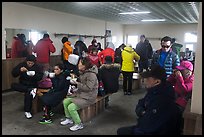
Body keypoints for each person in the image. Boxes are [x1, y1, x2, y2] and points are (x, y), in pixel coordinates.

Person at [117, 65, 183, 135]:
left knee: (122, 132)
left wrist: (142, 114)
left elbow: (148, 127)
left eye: (148, 78)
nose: (144, 80)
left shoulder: (162, 99)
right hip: (151, 127)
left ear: (157, 81)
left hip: (158, 131)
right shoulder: (156, 90)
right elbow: (142, 102)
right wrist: (142, 111)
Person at [60, 57, 98, 131]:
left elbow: (88, 88)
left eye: (80, 63)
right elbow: (82, 84)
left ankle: (79, 124)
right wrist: (76, 85)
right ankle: (69, 119)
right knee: (65, 101)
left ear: (85, 65)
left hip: (89, 97)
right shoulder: (83, 72)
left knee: (71, 107)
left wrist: (77, 83)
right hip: (82, 94)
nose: (78, 64)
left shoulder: (91, 75)